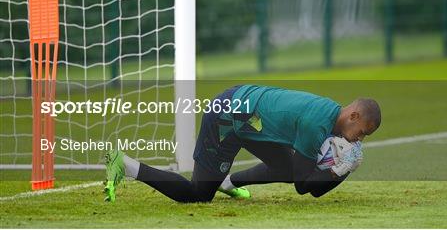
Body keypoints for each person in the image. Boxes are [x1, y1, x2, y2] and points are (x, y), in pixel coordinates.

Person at [103, 84, 381, 203]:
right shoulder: (316, 124)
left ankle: (228, 183)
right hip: (228, 117)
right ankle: (126, 165)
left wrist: (338, 171)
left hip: (249, 115)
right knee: (198, 194)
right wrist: (338, 171)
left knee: (285, 167)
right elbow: (304, 186)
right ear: (353, 115)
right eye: (362, 131)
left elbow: (300, 177)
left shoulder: (329, 113)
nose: (360, 138)